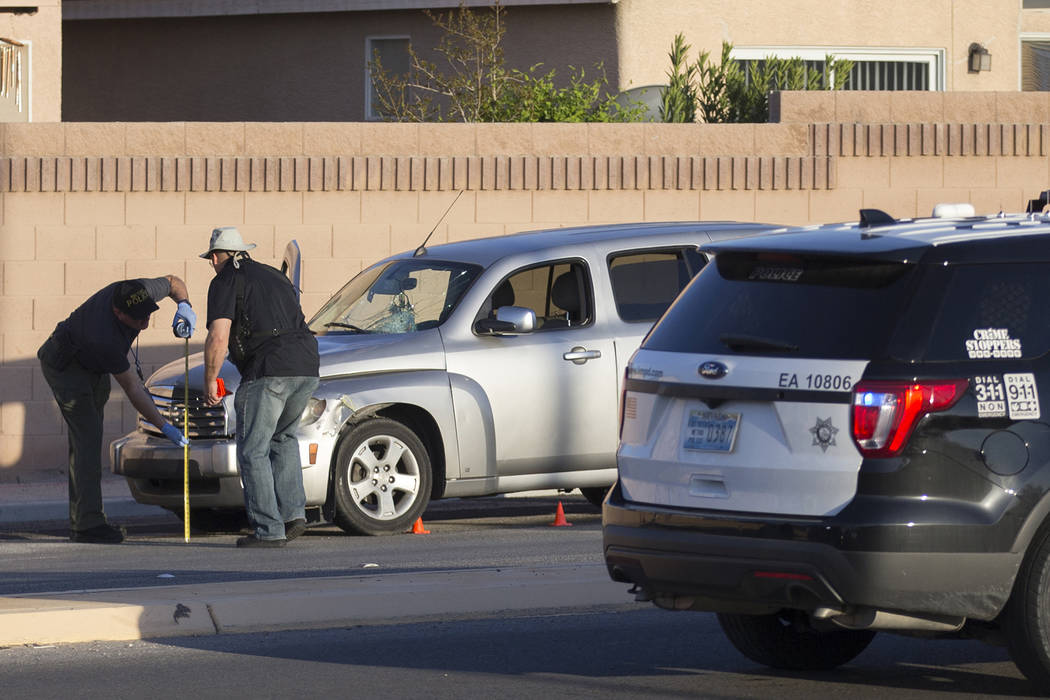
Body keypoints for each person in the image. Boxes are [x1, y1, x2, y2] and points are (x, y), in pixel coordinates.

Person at [38, 276, 197, 544]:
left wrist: (184, 304)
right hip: (65, 366)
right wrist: (164, 425)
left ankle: (85, 514)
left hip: (93, 366)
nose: (145, 323)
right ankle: (87, 524)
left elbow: (172, 282)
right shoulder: (105, 339)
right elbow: (134, 390)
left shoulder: (138, 291)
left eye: (148, 314)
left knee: (90, 434)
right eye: (138, 319)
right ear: (118, 312)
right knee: (87, 440)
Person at [201, 226, 320, 548]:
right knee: (282, 439)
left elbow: (219, 336)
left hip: (268, 370)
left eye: (211, 259)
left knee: (253, 450)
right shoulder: (273, 275)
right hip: (307, 365)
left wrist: (210, 379)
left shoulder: (225, 280)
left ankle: (269, 530)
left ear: (215, 257)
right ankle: (293, 514)